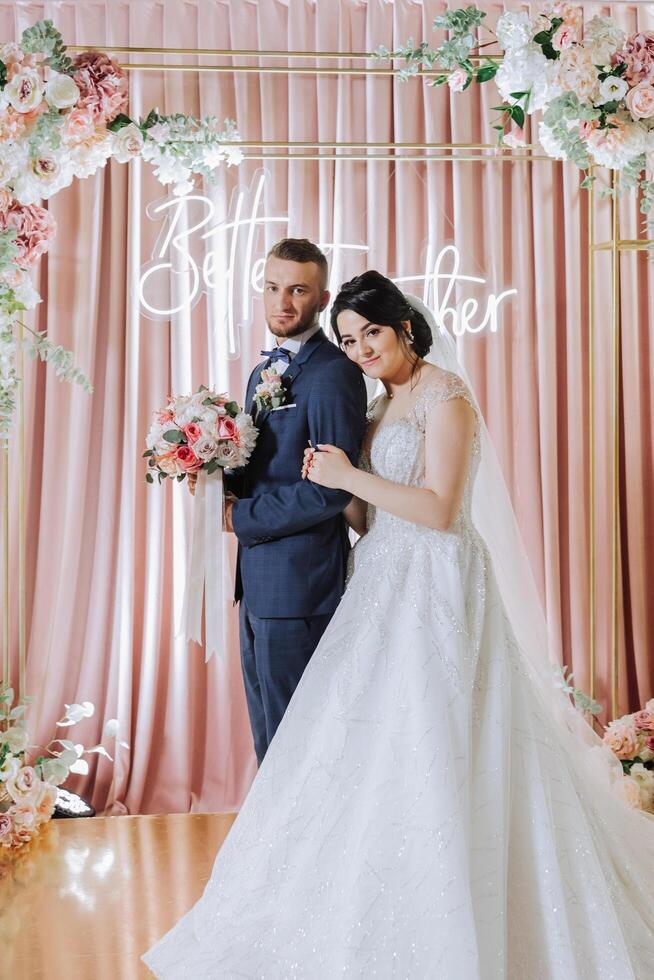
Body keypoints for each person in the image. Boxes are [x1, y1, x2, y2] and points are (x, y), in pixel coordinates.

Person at [143, 271, 654, 978]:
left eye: (370, 334)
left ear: (404, 327)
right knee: (367, 744)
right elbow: (372, 516)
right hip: (382, 581)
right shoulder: (383, 408)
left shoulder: (446, 398)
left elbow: (441, 510)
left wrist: (349, 478)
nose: (359, 351)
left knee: (445, 734)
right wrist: (327, 483)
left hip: (440, 583)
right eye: (348, 341)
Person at [224, 238, 367, 766]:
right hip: (259, 583)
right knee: (268, 735)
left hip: (301, 585)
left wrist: (239, 516)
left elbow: (332, 487)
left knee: (295, 741)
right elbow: (263, 464)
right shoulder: (265, 370)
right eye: (272, 287)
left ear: (323, 299)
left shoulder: (333, 373)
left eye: (298, 290)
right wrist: (205, 472)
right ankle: (272, 849)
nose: (282, 302)